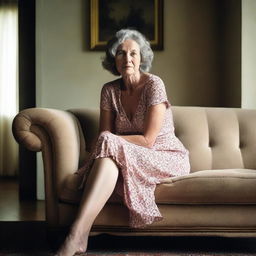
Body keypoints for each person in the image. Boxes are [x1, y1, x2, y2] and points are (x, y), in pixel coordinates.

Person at [56, 28, 190, 256]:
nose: (127, 58)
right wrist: (108, 142)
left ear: (142, 58)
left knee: (108, 143)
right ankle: (78, 234)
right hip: (126, 154)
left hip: (164, 156)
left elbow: (148, 141)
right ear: (113, 59)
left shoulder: (154, 85)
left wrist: (109, 142)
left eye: (133, 53)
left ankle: (75, 235)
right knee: (107, 156)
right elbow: (104, 138)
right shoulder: (109, 90)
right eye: (120, 53)